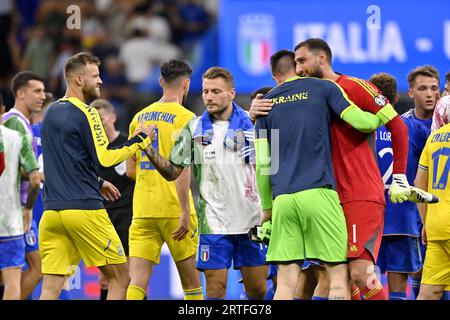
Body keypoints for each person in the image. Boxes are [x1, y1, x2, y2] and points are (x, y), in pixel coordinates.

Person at [252, 38, 410, 300]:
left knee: (359, 273)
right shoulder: (312, 92)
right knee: (327, 278)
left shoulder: (353, 87)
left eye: (302, 61)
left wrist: (400, 175)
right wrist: (253, 112)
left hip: (357, 192)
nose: (298, 68)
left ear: (322, 57)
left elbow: (397, 125)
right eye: (294, 63)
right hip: (325, 196)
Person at [140, 67, 269, 300]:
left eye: (216, 91)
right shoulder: (192, 128)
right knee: (216, 289)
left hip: (253, 221)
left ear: (231, 93)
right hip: (214, 223)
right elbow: (172, 172)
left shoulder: (254, 124)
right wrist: (148, 147)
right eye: (206, 91)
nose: (209, 97)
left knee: (258, 290)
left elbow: (272, 169)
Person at [38, 52, 153, 300]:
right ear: (79, 80)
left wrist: (98, 181)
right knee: (121, 277)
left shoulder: (50, 113)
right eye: (95, 76)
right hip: (84, 211)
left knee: (50, 287)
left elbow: (60, 161)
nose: (100, 81)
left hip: (52, 213)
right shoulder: (88, 113)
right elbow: (106, 158)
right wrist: (140, 139)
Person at [125, 59, 203, 300]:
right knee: (191, 284)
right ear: (186, 85)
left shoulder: (138, 118)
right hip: (175, 210)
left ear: (161, 82)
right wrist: (184, 211)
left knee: (137, 282)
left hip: (143, 211)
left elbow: (130, 171)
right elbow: (186, 169)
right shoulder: (188, 118)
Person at [372, 73, 429, 300]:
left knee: (366, 284)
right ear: (396, 98)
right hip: (403, 219)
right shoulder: (413, 128)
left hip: (369, 220)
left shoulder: (360, 128)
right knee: (398, 291)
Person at [2, 71, 46, 299]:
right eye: (37, 91)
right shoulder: (14, 123)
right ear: (20, 93)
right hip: (14, 208)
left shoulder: (21, 123)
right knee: (33, 268)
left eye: (43, 91)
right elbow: (10, 167)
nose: (43, 96)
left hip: (16, 207)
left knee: (29, 268)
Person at [90, 98, 135, 300]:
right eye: (94, 120)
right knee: (105, 277)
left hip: (125, 217)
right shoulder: (90, 151)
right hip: (100, 218)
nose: (98, 123)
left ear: (113, 117)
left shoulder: (127, 145)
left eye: (101, 117)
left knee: (128, 277)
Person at [402, 65, 440, 298]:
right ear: (411, 93)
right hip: (415, 207)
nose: (429, 94)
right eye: (422, 88)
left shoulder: (445, 123)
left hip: (442, 205)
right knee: (419, 268)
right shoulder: (403, 125)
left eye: (434, 88)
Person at [415, 122, 450, 300]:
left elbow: (419, 183)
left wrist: (426, 221)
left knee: (429, 292)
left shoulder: (435, 137)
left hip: (436, 226)